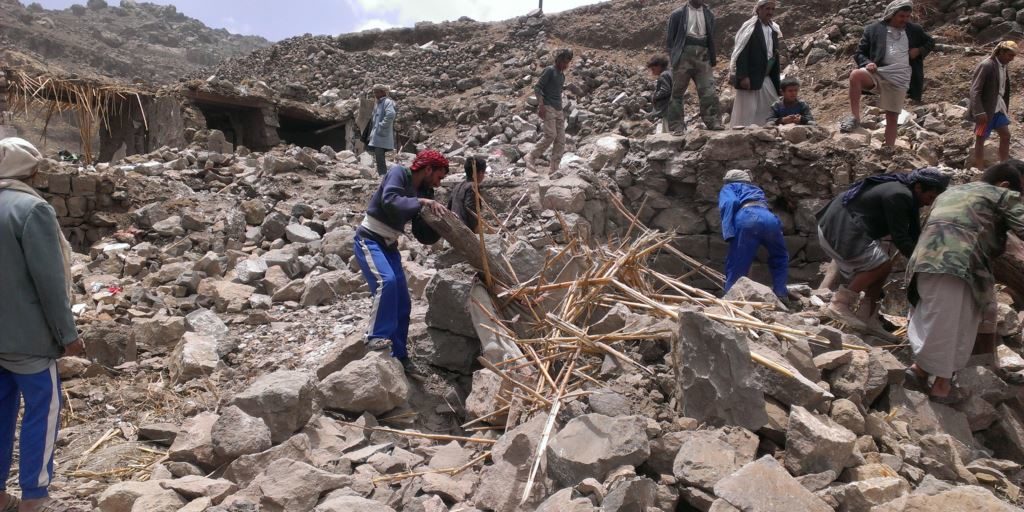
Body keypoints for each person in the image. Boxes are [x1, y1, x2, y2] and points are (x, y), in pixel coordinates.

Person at [0, 137, 84, 512]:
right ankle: (34, 498)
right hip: (28, 341)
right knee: (43, 412)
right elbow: (49, 283)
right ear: (30, 171)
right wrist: (68, 336)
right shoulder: (33, 210)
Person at [905, 160, 1024, 402]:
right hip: (960, 262)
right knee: (955, 325)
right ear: (1004, 184)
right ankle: (941, 386)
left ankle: (921, 372)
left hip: (924, 260)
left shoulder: (951, 192)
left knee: (936, 319)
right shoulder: (1003, 195)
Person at [816, 168, 950, 335]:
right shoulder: (899, 195)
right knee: (881, 265)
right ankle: (840, 303)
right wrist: (922, 264)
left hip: (842, 227)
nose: (929, 203)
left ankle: (867, 315)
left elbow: (914, 233)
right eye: (930, 197)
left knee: (883, 268)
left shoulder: (907, 194)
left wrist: (927, 256)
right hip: (838, 228)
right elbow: (901, 238)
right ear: (918, 187)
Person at [353, 150, 449, 375]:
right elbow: (390, 200)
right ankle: (375, 336)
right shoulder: (398, 173)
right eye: (439, 176)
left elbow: (420, 231)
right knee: (386, 282)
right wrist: (422, 201)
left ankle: (400, 354)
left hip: (389, 246)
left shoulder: (423, 190)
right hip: (370, 239)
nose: (439, 183)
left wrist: (439, 223)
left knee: (403, 302)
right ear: (428, 169)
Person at [840, 0, 935, 148]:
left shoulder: (914, 30)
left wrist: (919, 51)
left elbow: (930, 42)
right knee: (855, 75)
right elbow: (859, 53)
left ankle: (888, 150)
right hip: (879, 72)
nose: (905, 19)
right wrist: (867, 63)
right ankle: (855, 118)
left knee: (892, 117)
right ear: (891, 14)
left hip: (900, 77)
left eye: (907, 16)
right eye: (901, 16)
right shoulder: (873, 29)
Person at [718, 169, 790, 303]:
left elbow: (730, 202)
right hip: (769, 218)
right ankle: (781, 293)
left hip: (748, 217)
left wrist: (728, 231)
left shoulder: (729, 187)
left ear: (727, 181)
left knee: (738, 260)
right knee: (780, 256)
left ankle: (731, 297)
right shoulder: (755, 189)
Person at [665, 0, 724, 132]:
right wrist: (675, 58)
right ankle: (676, 126)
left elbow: (711, 36)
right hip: (683, 56)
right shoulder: (677, 14)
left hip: (703, 56)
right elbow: (670, 41)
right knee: (677, 92)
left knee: (708, 91)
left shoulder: (709, 14)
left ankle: (713, 121)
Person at [730, 0, 782, 128]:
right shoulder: (749, 27)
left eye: (772, 9)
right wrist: (743, 76)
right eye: (767, 9)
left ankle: (766, 133)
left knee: (771, 106)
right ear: (759, 9)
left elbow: (773, 54)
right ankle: (743, 135)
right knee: (747, 111)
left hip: (766, 76)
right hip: (751, 77)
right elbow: (741, 52)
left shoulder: (774, 29)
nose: (770, 12)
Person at [969, 40, 1018, 170]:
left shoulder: (1003, 66)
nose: (1012, 59)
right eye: (1010, 55)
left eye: (1013, 56)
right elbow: (975, 90)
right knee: (981, 138)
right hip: (986, 110)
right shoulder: (987, 65)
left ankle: (1004, 167)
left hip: (998, 108)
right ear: (1001, 52)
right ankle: (979, 169)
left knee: (1006, 136)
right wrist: (979, 112)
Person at [525, 49, 573, 176]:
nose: (565, 65)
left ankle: (554, 168)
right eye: (564, 61)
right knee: (550, 135)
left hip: (558, 109)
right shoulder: (550, 70)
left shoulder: (562, 76)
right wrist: (541, 105)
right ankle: (531, 156)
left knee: (561, 139)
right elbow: (538, 87)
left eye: (567, 62)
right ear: (558, 59)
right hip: (548, 106)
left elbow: (558, 92)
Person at [447, 156, 488, 233]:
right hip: (465, 230)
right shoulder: (473, 186)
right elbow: (470, 210)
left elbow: (449, 208)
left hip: (454, 227)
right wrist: (476, 229)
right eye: (483, 172)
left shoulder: (457, 186)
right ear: (480, 173)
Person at [367, 84, 397, 176]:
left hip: (381, 134)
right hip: (378, 134)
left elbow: (391, 114)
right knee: (378, 156)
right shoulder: (378, 103)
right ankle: (382, 174)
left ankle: (383, 175)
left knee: (379, 156)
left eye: (377, 92)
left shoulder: (387, 102)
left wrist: (382, 125)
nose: (375, 94)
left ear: (382, 92)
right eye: (374, 92)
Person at [647, 55, 673, 126]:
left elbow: (665, 90)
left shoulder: (664, 75)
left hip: (666, 108)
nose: (652, 72)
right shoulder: (670, 72)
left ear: (659, 66)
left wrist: (655, 96)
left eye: (653, 69)